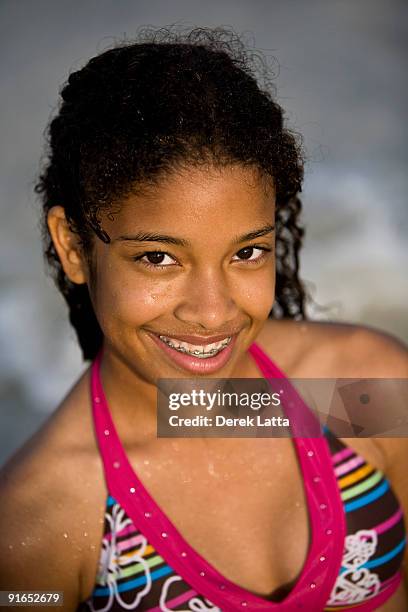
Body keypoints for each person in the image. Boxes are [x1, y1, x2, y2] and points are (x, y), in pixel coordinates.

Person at [0, 28, 407, 612]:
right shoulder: (40, 526)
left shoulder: (359, 391)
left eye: (247, 252)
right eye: (158, 258)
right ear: (72, 246)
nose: (213, 313)